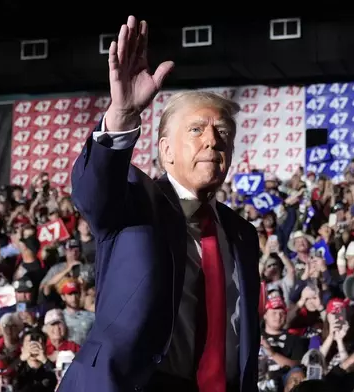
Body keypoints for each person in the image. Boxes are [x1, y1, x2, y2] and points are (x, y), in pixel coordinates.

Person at [58, 15, 260, 392]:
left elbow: (240, 330)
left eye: (223, 133)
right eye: (196, 130)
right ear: (165, 151)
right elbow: (91, 192)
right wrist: (121, 115)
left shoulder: (243, 234)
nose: (212, 142)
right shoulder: (133, 198)